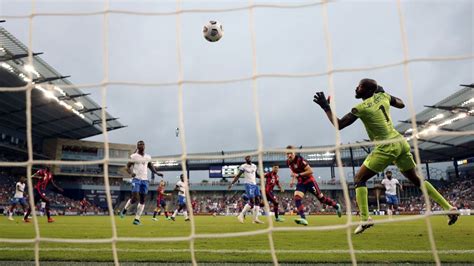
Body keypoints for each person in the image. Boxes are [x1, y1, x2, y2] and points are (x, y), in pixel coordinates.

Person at [313, 78, 459, 234]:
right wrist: (382, 91)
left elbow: (339, 125)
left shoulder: (360, 108)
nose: (356, 88)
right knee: (417, 180)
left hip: (386, 146)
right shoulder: (383, 97)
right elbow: (401, 103)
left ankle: (365, 219)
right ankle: (449, 208)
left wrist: (326, 107)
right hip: (400, 142)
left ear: (368, 90)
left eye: (360, 86)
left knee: (359, 179)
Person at [286, 146, 342, 226]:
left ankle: (336, 206)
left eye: (290, 153)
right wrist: (292, 181)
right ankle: (303, 218)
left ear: (294, 153)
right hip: (301, 182)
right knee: (297, 198)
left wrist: (298, 174)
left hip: (310, 181)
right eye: (287, 154)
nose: (289, 155)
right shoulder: (288, 162)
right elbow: (293, 172)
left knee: (322, 199)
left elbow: (310, 171)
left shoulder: (300, 160)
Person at [119, 140, 163, 225]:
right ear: (137, 146)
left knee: (143, 200)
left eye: (142, 144)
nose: (141, 145)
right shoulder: (134, 156)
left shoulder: (147, 157)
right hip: (136, 179)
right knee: (135, 197)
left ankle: (137, 219)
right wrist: (131, 173)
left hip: (145, 180)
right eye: (139, 144)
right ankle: (124, 210)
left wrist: (156, 173)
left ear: (144, 146)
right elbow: (127, 167)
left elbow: (150, 166)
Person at [228, 155, 264, 224]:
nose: (248, 159)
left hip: (255, 185)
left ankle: (256, 219)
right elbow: (238, 176)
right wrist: (232, 184)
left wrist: (262, 176)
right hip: (248, 185)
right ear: (245, 160)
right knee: (252, 201)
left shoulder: (254, 166)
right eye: (246, 158)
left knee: (258, 200)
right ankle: (241, 215)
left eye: (249, 157)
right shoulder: (243, 166)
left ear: (251, 158)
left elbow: (256, 175)